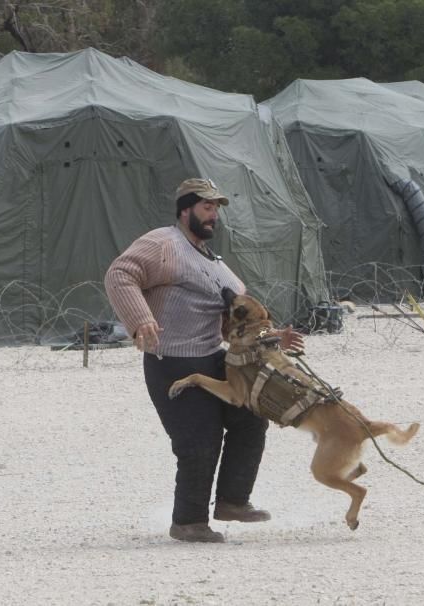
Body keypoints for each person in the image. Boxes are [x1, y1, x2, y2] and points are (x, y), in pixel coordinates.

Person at [105, 177, 303, 543]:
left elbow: (233, 325)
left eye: (216, 210)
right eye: (207, 208)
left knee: (250, 415)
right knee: (199, 440)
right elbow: (120, 273)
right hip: (173, 361)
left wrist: (272, 338)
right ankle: (189, 522)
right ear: (186, 210)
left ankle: (232, 501)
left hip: (214, 357)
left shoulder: (214, 261)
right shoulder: (163, 243)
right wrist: (140, 318)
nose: (214, 216)